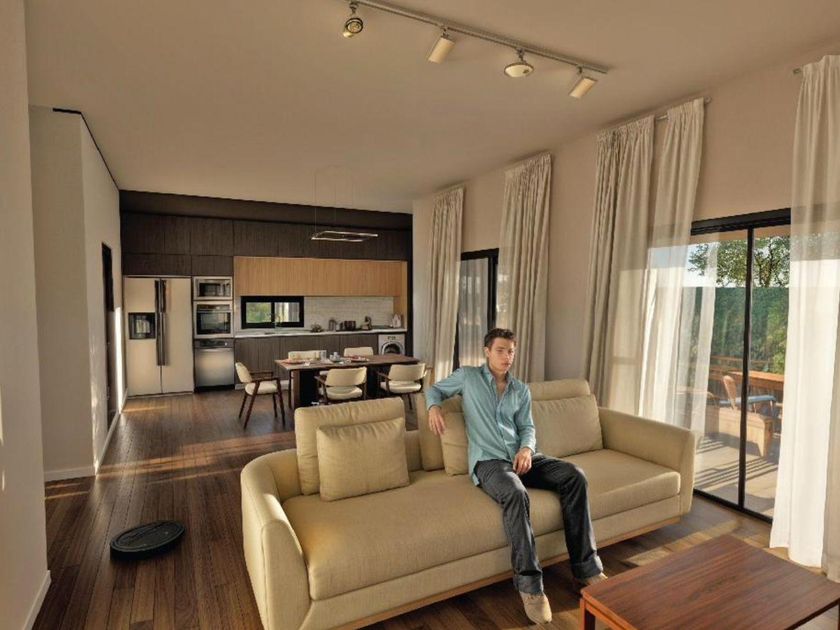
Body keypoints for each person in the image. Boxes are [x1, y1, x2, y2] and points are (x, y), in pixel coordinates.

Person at [426, 328, 606, 625]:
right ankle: (531, 587)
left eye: (511, 351)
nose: (506, 356)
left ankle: (586, 570)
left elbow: (527, 428)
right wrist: (434, 406)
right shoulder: (468, 377)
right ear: (487, 351)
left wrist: (526, 449)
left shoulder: (520, 389)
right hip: (489, 462)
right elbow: (434, 390)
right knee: (515, 492)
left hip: (523, 458)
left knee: (574, 475)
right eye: (500, 350)